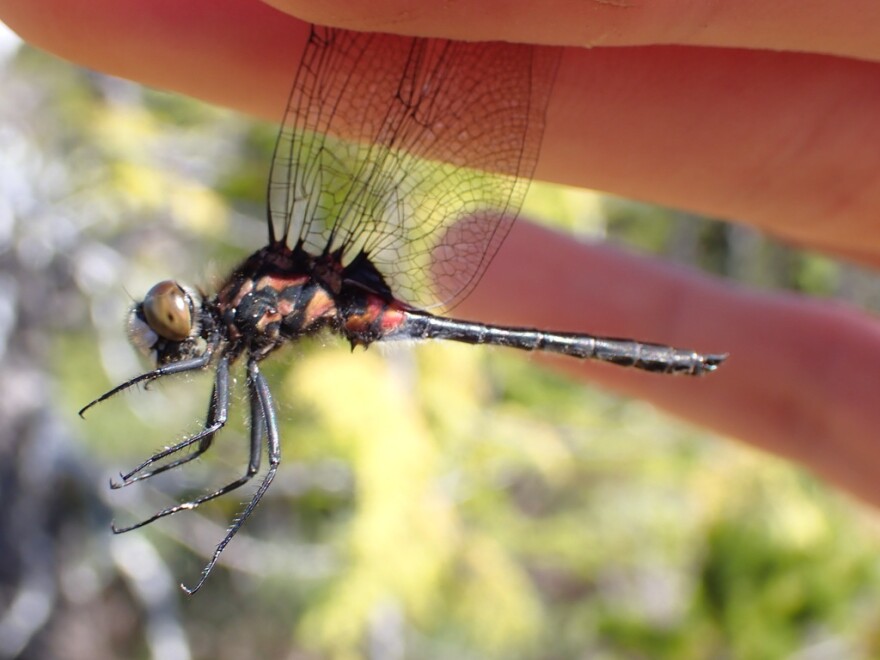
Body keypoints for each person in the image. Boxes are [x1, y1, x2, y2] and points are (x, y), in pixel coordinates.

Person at [3, 0, 880, 507]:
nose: (171, 328)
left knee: (246, 450)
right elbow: (222, 431)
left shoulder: (255, 303)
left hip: (355, 293)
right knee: (249, 450)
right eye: (167, 325)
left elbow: (220, 435)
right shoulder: (242, 325)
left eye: (169, 318)